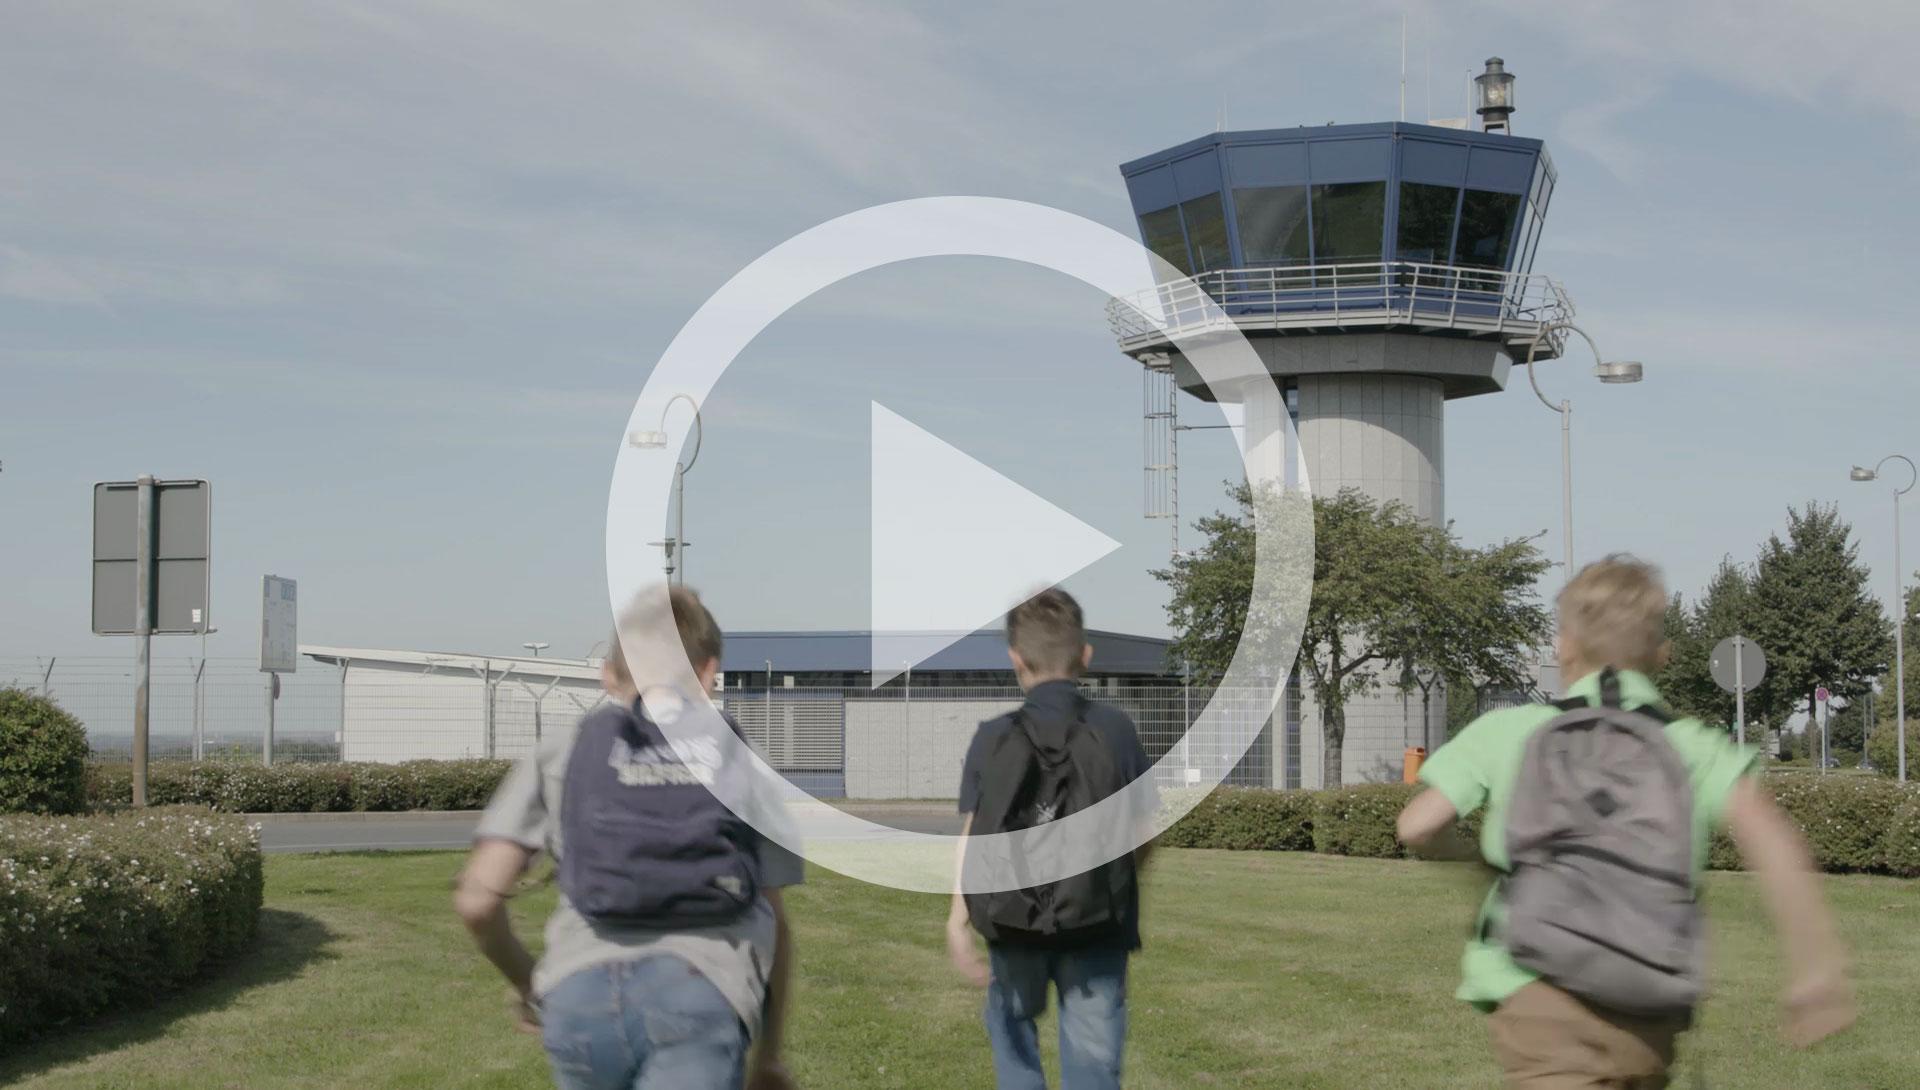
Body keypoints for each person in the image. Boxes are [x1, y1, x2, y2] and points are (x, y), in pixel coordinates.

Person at [1397, 555, 1855, 1089]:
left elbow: (1416, 826)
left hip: (1538, 994)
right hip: (1649, 1002)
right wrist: (1817, 969)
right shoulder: (1690, 745)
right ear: (1660, 655)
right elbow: (1776, 845)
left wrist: (1464, 855)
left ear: (1563, 646)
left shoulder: (1510, 730)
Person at [454, 586, 800, 1090]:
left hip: (578, 996)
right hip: (703, 991)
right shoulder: (740, 758)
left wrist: (529, 980)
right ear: (708, 672)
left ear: (608, 675)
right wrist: (769, 1055)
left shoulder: (562, 750)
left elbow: (476, 901)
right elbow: (777, 922)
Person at [945, 588, 1157, 1090]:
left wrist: (958, 920)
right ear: (1085, 656)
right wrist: (1117, 881)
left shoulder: (992, 737)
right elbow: (1145, 830)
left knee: (1014, 1045)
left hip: (1012, 923)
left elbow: (975, 837)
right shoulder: (1116, 729)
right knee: (1093, 1066)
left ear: (1016, 660)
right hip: (1099, 927)